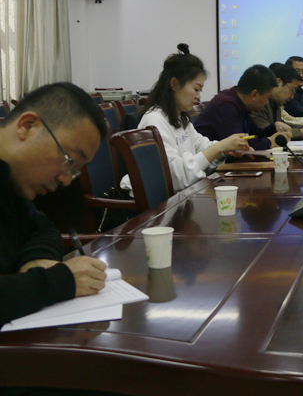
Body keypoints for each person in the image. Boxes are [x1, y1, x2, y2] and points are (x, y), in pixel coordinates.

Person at [0, 83, 109, 325]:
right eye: (69, 161)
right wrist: (58, 281)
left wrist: (35, 261)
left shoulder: (11, 182)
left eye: (75, 170)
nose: (66, 180)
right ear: (27, 126)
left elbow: (43, 231)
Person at [121, 44, 251, 193]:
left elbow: (202, 147)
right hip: (161, 203)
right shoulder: (154, 120)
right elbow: (175, 177)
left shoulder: (181, 118)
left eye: (200, 90)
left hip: (182, 196)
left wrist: (226, 150)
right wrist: (220, 147)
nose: (198, 96)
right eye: (196, 89)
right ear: (175, 84)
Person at [195, 65, 291, 150]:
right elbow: (240, 145)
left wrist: (274, 127)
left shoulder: (240, 103)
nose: (267, 102)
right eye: (268, 98)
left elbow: (255, 134)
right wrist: (270, 141)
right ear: (254, 94)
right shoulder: (225, 106)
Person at [252, 64, 303, 140]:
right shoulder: (260, 102)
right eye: (292, 90)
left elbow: (282, 125)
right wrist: (300, 132)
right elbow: (265, 133)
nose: (292, 96)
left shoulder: (276, 102)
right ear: (278, 83)